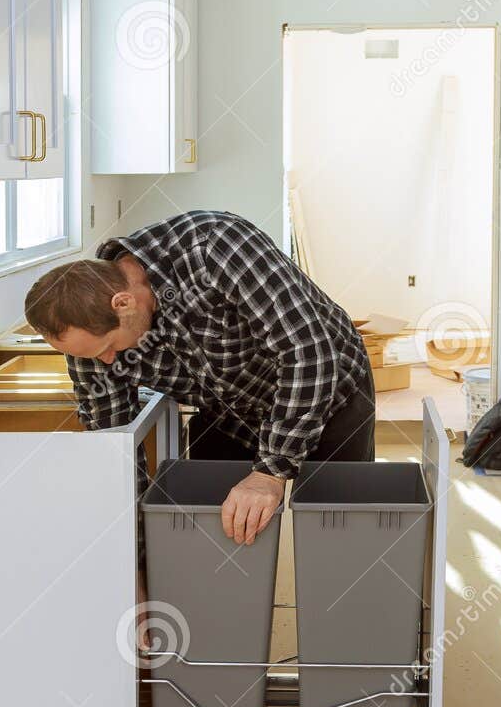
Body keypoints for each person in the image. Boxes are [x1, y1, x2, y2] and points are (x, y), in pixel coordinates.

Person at [24, 210, 375, 544]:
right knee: (223, 532)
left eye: (110, 348)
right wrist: (133, 564)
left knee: (340, 528)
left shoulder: (215, 247)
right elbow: (116, 448)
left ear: (123, 303)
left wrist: (270, 472)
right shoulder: (90, 340)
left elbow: (307, 353)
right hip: (230, 414)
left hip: (330, 391)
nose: (106, 361)